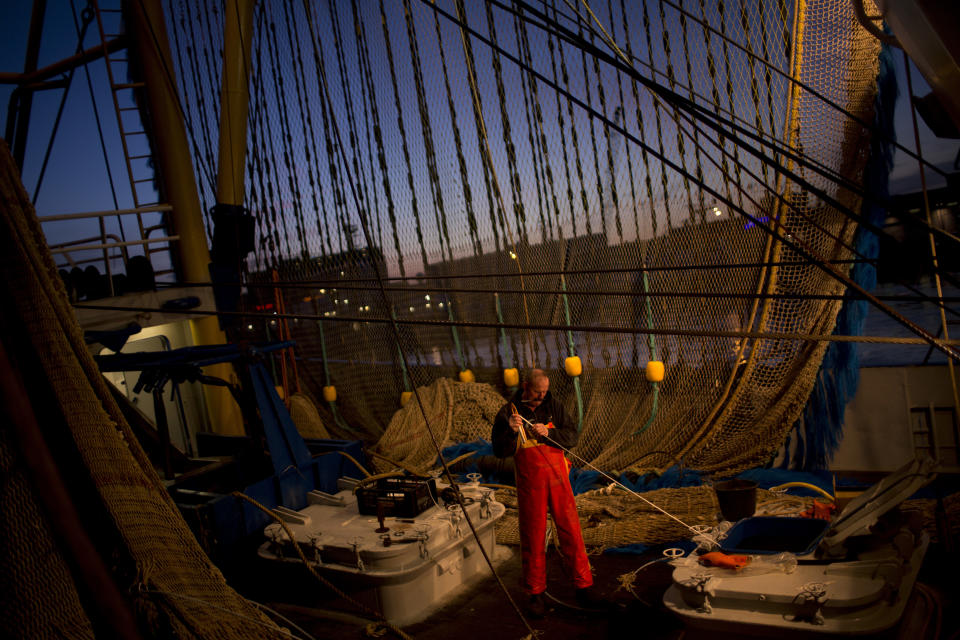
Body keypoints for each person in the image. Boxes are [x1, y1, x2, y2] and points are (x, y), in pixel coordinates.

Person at [492, 369, 600, 617]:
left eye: (544, 392)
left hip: (558, 479)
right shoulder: (508, 412)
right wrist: (510, 429)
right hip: (531, 484)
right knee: (533, 535)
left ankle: (583, 586)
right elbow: (499, 450)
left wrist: (550, 433)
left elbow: (572, 436)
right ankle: (535, 593)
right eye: (537, 392)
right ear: (525, 386)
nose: (541, 396)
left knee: (571, 530)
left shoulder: (555, 405)